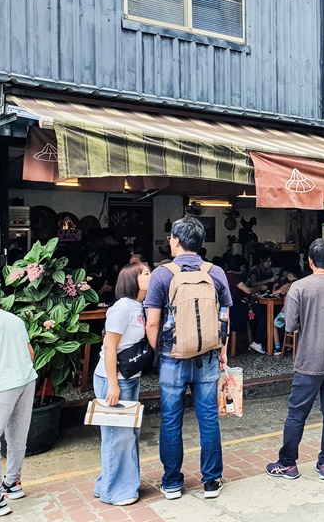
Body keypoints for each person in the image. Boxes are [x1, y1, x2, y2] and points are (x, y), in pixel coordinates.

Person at [144, 217, 233, 501]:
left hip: (172, 359)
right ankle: (211, 481)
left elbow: (152, 323)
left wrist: (159, 352)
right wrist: (222, 351)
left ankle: (172, 483)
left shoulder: (162, 274)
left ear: (177, 240)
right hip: (207, 357)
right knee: (208, 419)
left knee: (171, 420)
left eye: (171, 238)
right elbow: (225, 318)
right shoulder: (215, 272)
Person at [266, 239, 324, 481]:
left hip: (308, 362)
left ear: (309, 261)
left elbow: (291, 325)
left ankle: (288, 464)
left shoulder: (299, 287)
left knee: (297, 414)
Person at [92, 262, 151, 506]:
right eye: (145, 273)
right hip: (112, 379)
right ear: (132, 280)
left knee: (127, 434)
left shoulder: (141, 306)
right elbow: (109, 346)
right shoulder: (122, 308)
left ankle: (111, 483)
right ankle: (116, 492)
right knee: (118, 435)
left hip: (130, 378)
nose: (151, 275)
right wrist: (113, 384)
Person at [0, 281, 37, 519]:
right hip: (26, 380)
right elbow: (31, 354)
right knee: (17, 436)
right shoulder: (14, 319)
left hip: (2, 385)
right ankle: (12, 484)